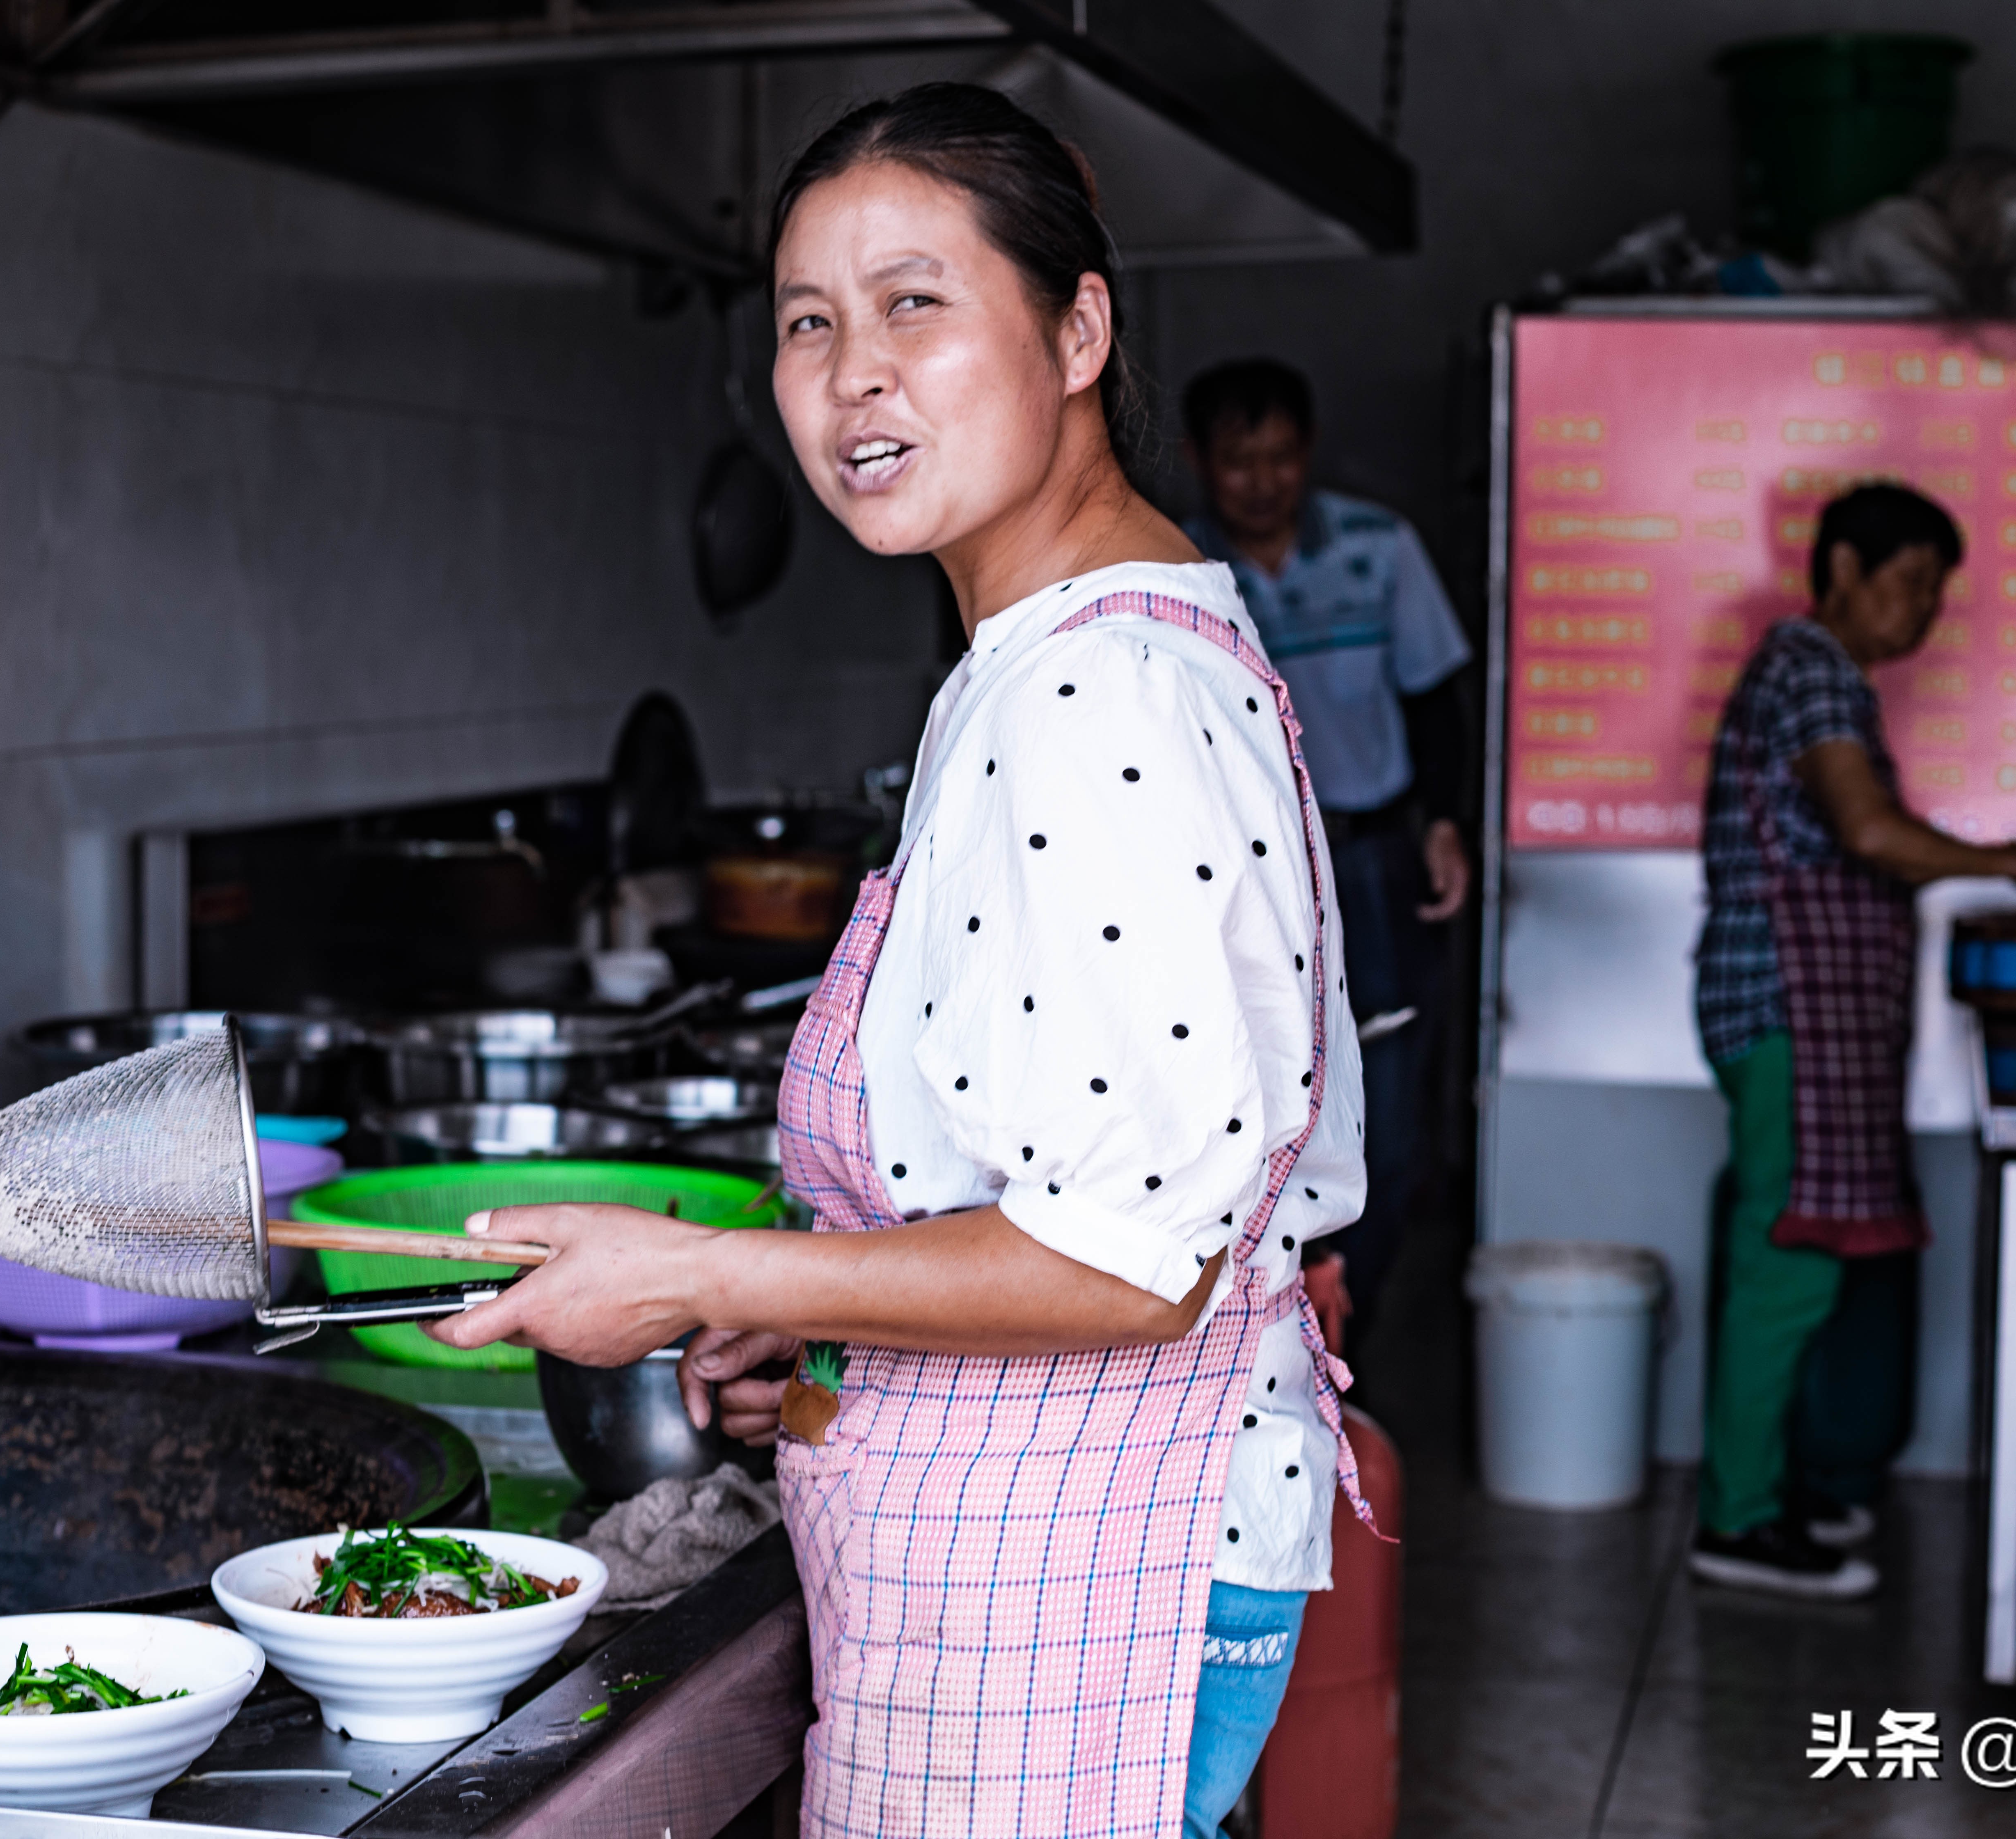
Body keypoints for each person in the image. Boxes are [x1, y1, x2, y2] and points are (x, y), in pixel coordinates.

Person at [428, 83, 1374, 1837]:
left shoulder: (1103, 694)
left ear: (1078, 325)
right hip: (1051, 1547)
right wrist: (803, 1313)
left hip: (1087, 1585)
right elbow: (1041, 1175)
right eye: (808, 321)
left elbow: (1126, 1258)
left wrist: (714, 1272)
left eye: (914, 303)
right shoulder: (1044, 657)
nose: (854, 372)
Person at [1689, 482, 2016, 1600]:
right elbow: (1867, 833)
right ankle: (1735, 1518)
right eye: (1911, 583)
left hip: (1789, 1013)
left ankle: (1765, 1491)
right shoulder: (1813, 666)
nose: (1924, 612)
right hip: (1784, 1008)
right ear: (1845, 573)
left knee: (1799, 1267)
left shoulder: (1823, 676)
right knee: (1787, 1270)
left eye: (1936, 592)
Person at [1181, 360, 1471, 1342]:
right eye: (1237, 461)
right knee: (1253, 1118)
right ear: (1200, 464)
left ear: (1307, 454)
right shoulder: (1179, 567)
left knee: (1386, 1123)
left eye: (1278, 457)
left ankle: (1354, 1318)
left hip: (1374, 865)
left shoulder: (1378, 548)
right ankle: (1273, 1337)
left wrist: (1444, 822)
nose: (1261, 480)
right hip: (1246, 884)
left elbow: (1436, 700)